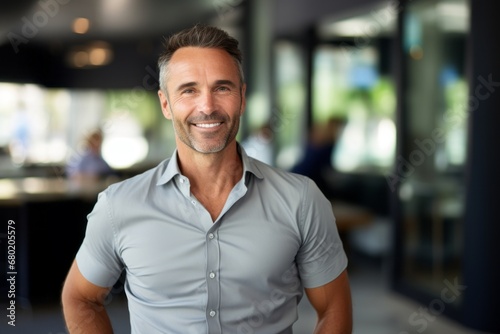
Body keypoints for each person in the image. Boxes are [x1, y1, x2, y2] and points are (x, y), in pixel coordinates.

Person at [61, 24, 352, 334]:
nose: (208, 106)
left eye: (222, 88)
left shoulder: (301, 200)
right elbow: (80, 297)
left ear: (241, 96)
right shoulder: (119, 206)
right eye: (189, 90)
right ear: (165, 104)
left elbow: (334, 307)